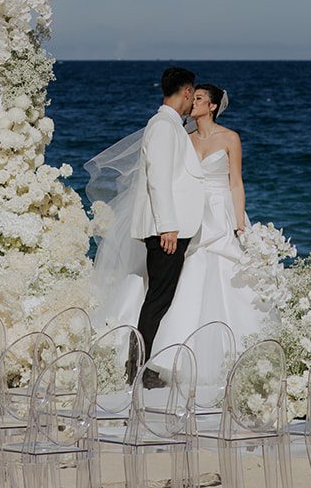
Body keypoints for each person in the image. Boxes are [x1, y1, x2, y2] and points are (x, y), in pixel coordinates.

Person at [84, 66, 206, 380]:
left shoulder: (168, 124)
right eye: (193, 95)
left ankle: (139, 364)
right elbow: (159, 180)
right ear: (187, 92)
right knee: (157, 299)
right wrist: (168, 225)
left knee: (158, 297)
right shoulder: (164, 126)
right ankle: (137, 367)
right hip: (165, 230)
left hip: (168, 227)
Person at [147, 82, 265, 385]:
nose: (193, 102)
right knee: (189, 278)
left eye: (199, 99)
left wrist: (239, 222)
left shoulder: (230, 138)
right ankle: (173, 352)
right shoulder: (183, 139)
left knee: (226, 275)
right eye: (193, 97)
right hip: (191, 213)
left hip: (221, 213)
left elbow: (236, 182)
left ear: (212, 106)